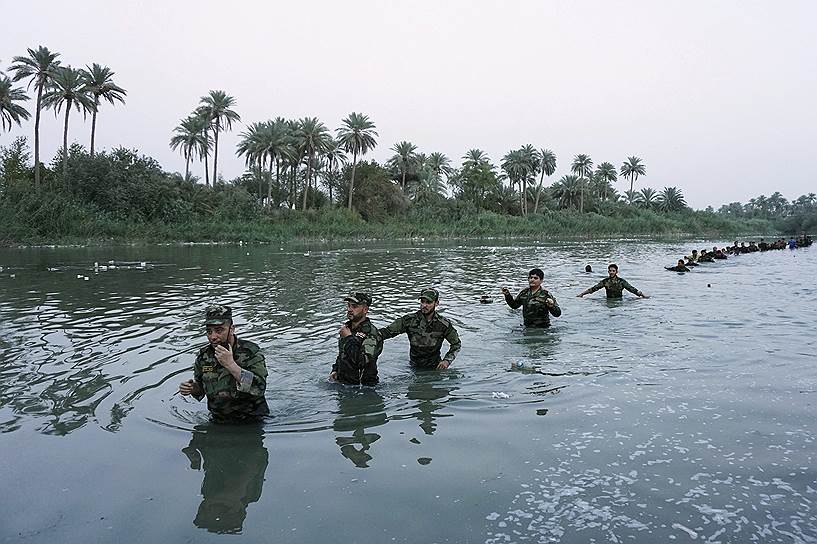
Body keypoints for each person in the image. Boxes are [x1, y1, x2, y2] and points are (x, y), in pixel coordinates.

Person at [179, 305, 270, 423]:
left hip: (252, 421)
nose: (213, 337)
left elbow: (259, 387)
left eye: (219, 330)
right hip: (217, 421)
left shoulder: (250, 352)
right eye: (209, 331)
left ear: (231, 329)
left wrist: (231, 365)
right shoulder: (204, 356)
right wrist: (192, 388)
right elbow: (201, 390)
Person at [381, 288, 461, 369]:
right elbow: (386, 332)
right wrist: (369, 333)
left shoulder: (443, 324)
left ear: (436, 303)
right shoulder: (409, 321)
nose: (424, 305)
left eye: (428, 302)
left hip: (435, 368)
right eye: (422, 301)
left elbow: (456, 344)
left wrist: (447, 360)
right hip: (414, 366)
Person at [330, 293, 383, 386]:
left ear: (365, 309)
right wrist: (335, 370)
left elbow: (362, 362)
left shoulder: (371, 333)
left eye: (354, 306)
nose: (349, 310)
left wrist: (349, 338)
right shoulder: (347, 329)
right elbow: (342, 354)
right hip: (343, 383)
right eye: (348, 306)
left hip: (363, 388)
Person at [577, 263, 649, 299]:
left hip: (619, 301)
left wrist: (643, 296)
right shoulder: (605, 281)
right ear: (608, 271)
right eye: (610, 271)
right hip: (609, 300)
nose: (611, 272)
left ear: (616, 272)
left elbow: (632, 289)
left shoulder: (622, 282)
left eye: (613, 271)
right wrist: (582, 294)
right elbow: (593, 289)